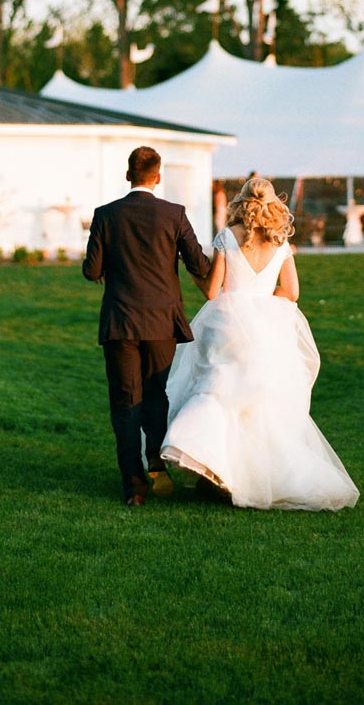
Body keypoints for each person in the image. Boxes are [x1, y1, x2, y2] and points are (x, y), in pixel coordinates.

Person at [161, 177, 359, 511]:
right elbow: (292, 292)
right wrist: (263, 303)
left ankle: (210, 466)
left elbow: (212, 291)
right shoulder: (281, 243)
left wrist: (194, 273)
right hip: (267, 326)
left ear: (242, 202)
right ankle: (255, 477)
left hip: (226, 322)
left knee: (218, 392)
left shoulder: (228, 236)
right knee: (260, 406)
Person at [82, 145, 211, 507]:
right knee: (156, 395)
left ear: (128, 176)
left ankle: (133, 488)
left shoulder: (105, 215)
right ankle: (155, 456)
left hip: (120, 322)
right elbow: (199, 264)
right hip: (161, 322)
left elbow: (91, 270)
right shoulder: (174, 214)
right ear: (157, 177)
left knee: (125, 401)